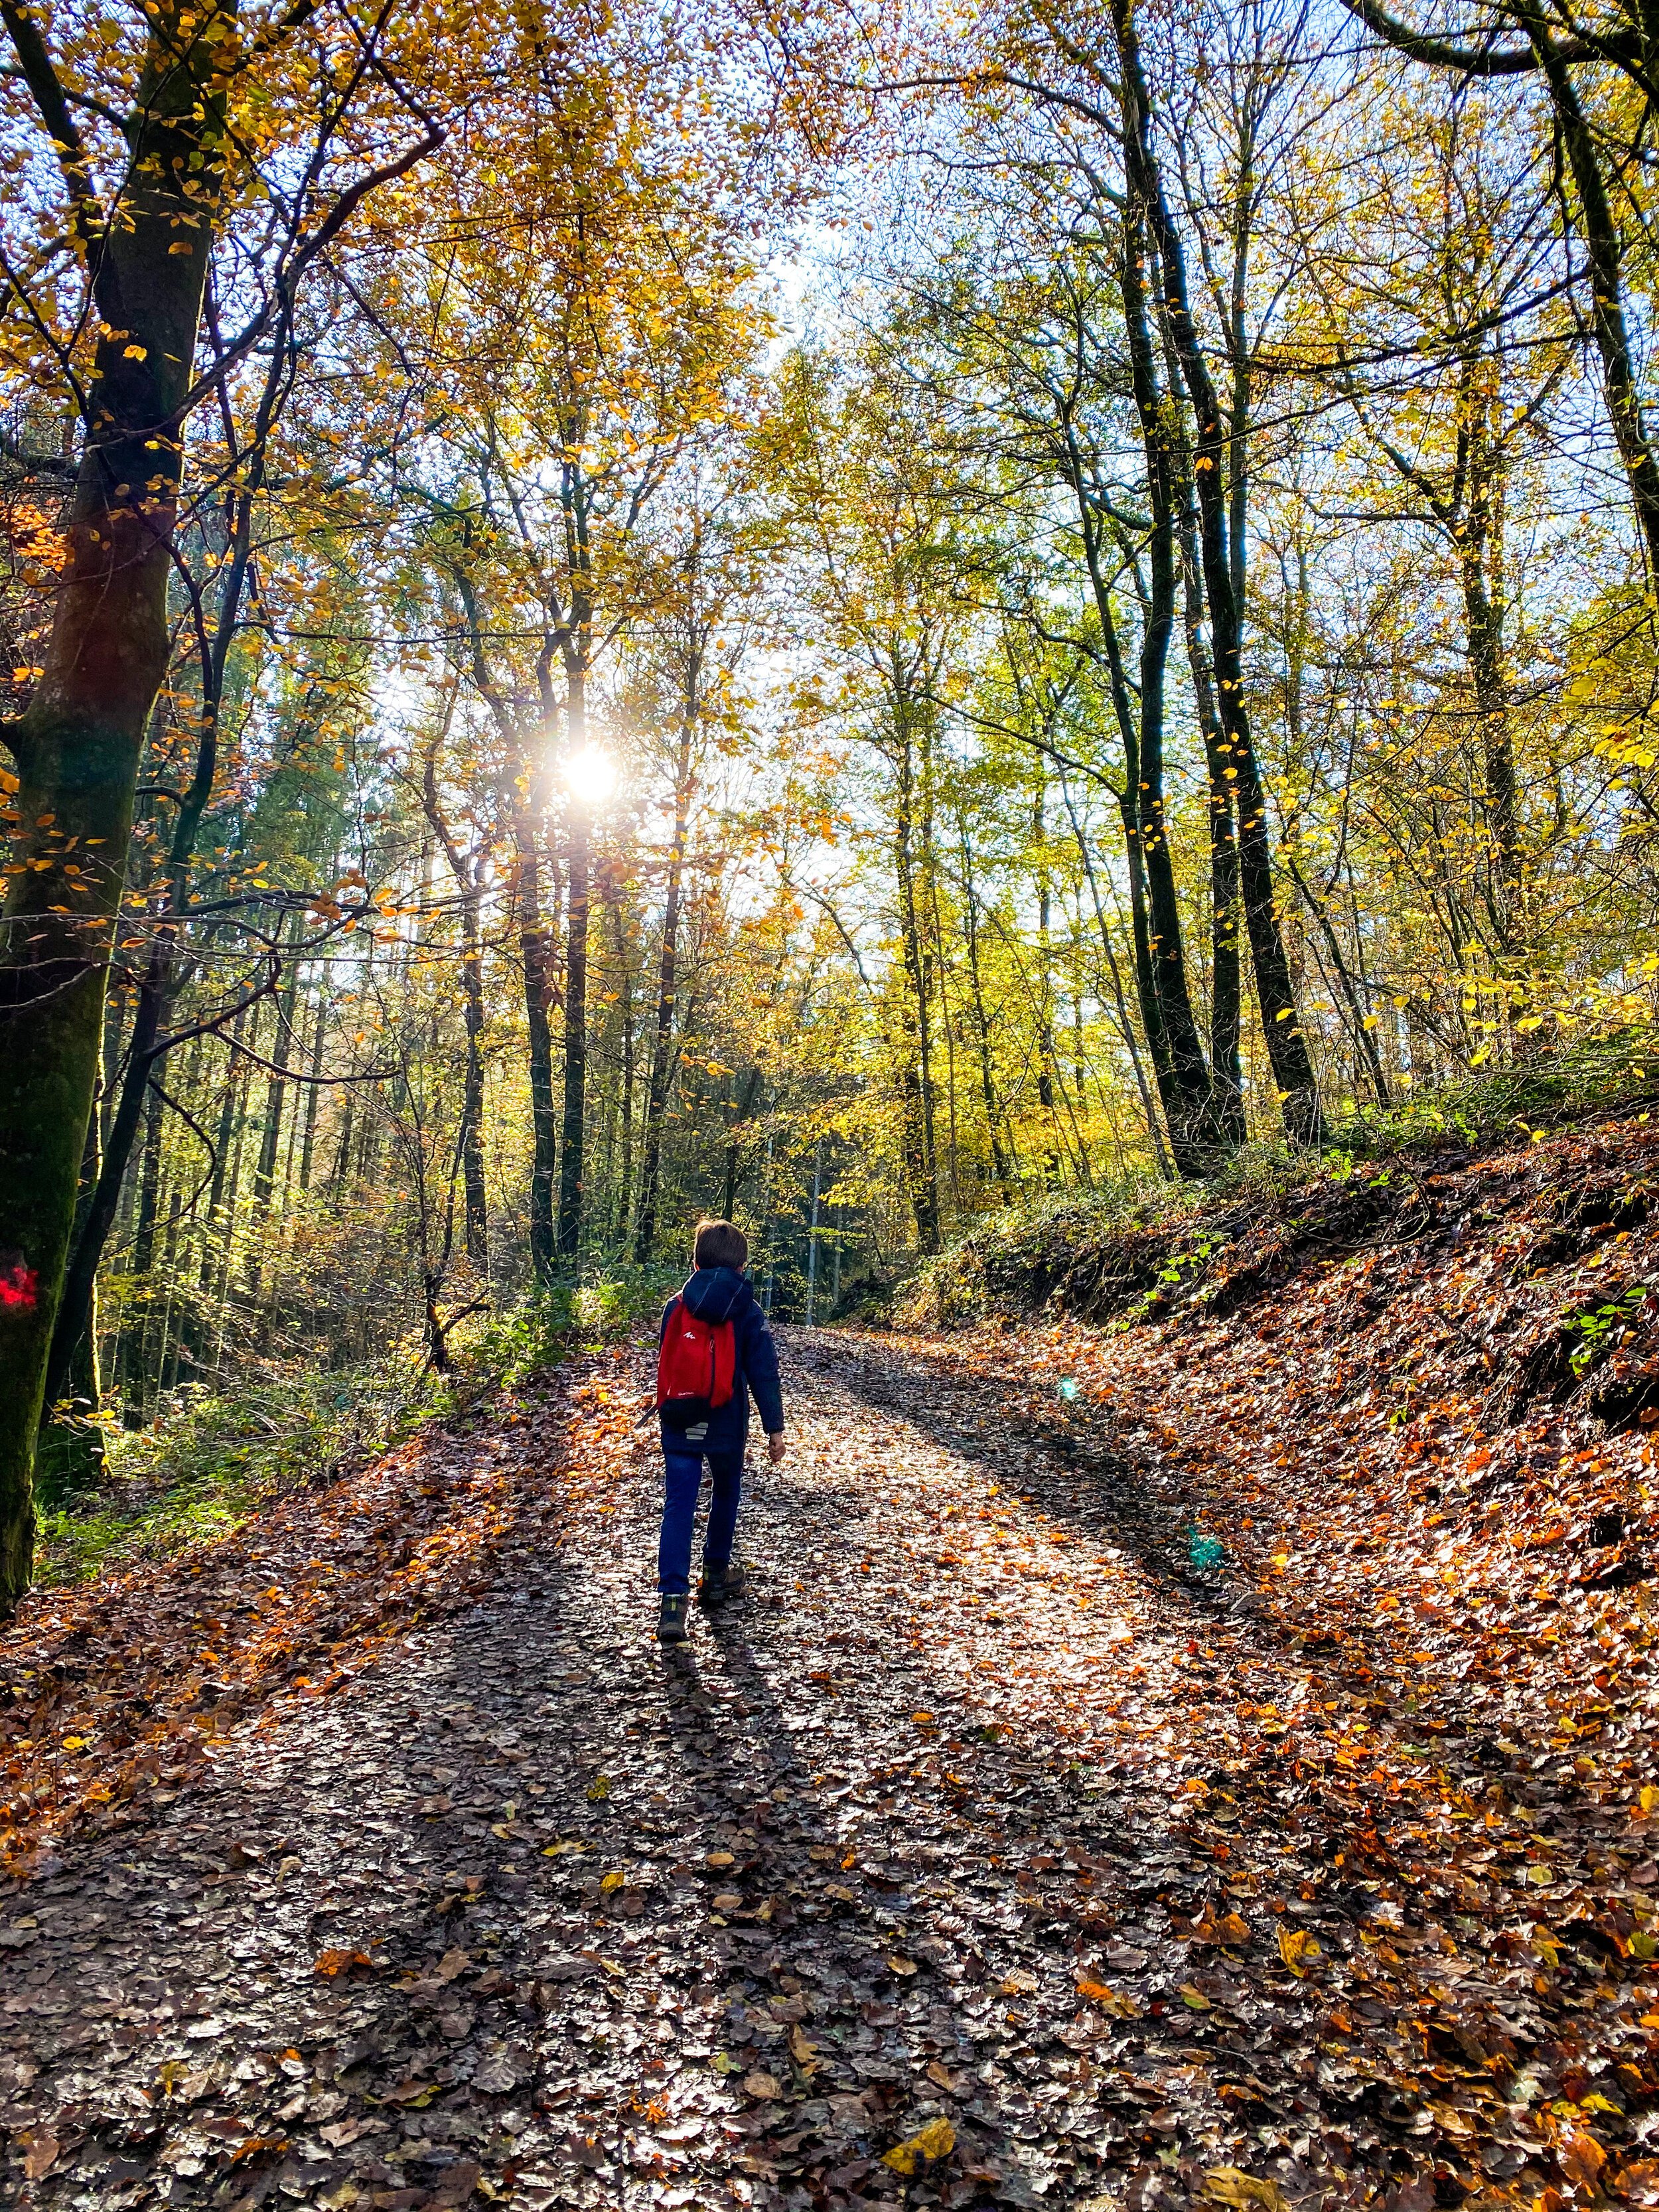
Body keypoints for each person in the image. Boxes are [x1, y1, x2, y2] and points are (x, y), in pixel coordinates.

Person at [654, 1218, 785, 1643]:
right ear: (741, 1268)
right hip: (727, 1420)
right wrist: (774, 1428)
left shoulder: (676, 1305)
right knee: (726, 1493)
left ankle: (673, 1603)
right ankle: (714, 1575)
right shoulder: (748, 1310)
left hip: (680, 1418)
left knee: (679, 1505)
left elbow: (667, 1361)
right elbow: (764, 1372)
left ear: (695, 1261)